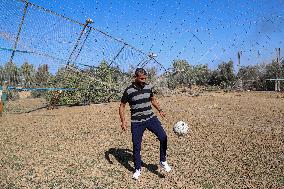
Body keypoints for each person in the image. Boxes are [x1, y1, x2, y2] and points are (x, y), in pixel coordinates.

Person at [119, 68, 171, 180]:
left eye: (145, 78)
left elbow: (152, 99)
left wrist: (160, 109)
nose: (143, 80)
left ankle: (163, 160)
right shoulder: (129, 91)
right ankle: (137, 169)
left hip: (151, 118)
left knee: (163, 137)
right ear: (135, 77)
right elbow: (122, 106)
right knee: (136, 146)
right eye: (141, 78)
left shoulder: (148, 87)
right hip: (137, 122)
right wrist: (123, 121)